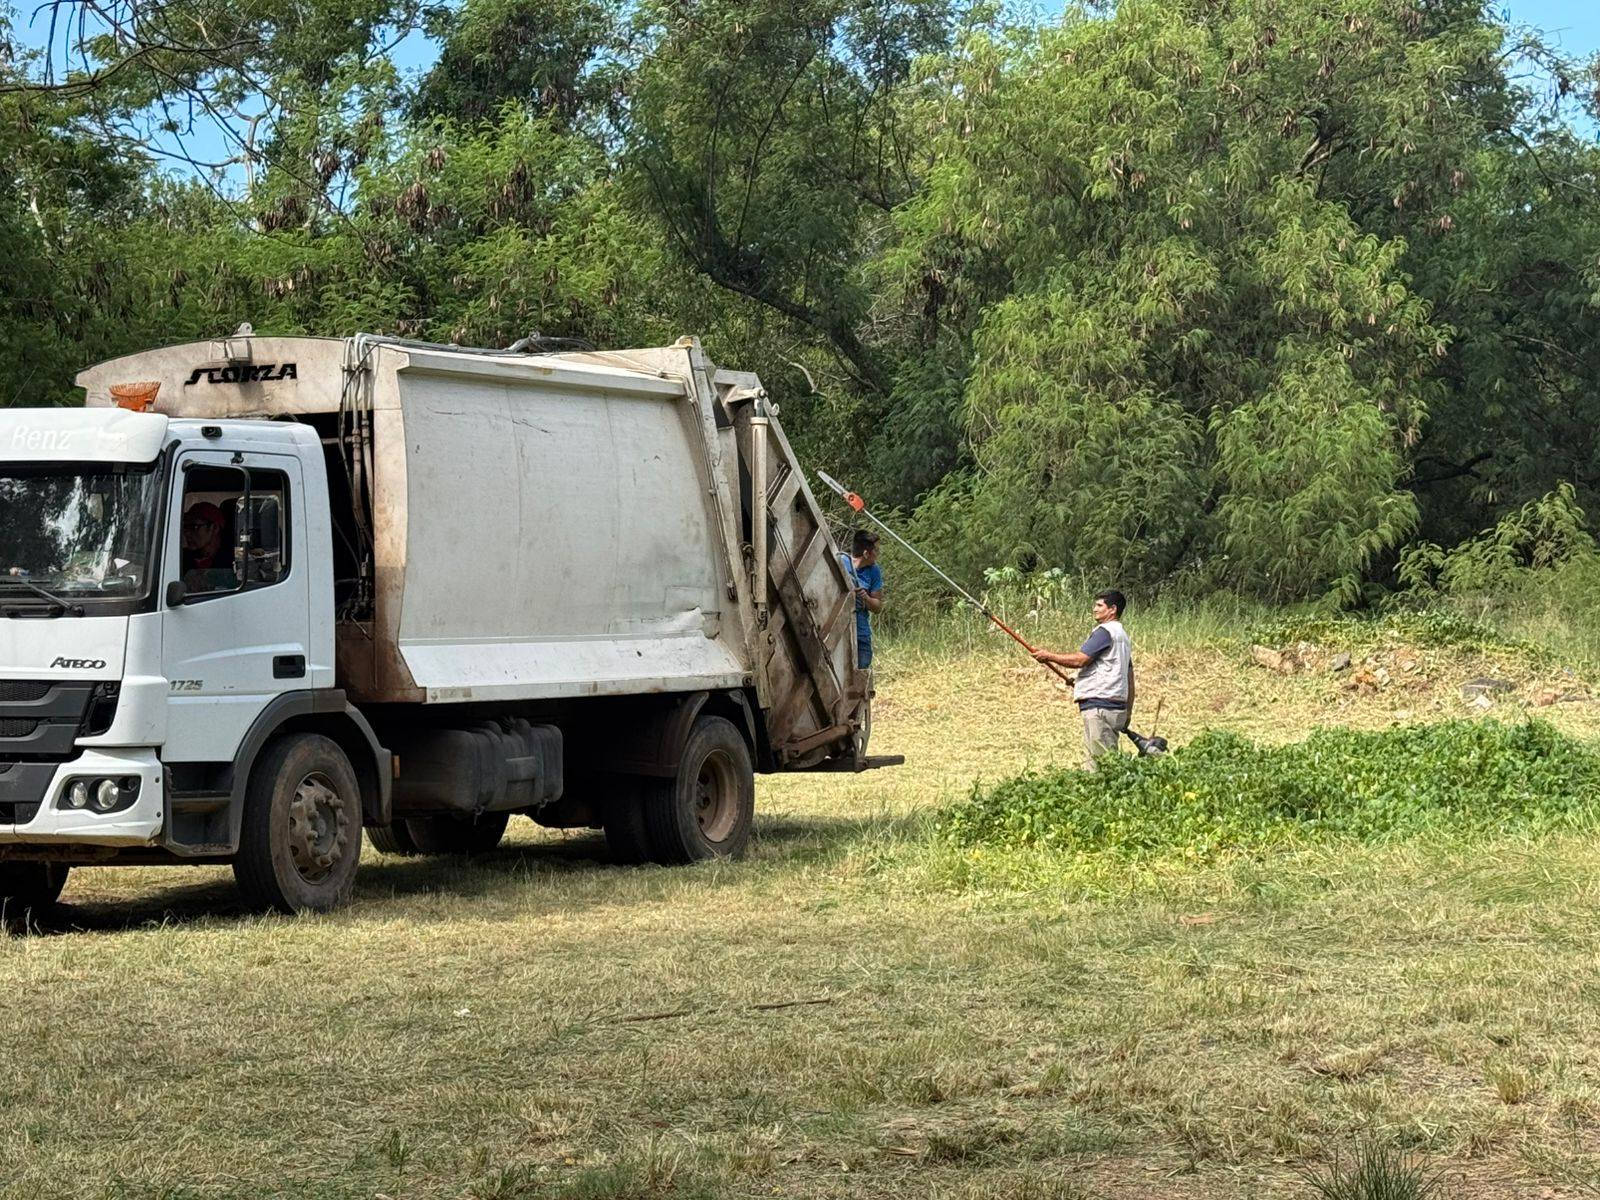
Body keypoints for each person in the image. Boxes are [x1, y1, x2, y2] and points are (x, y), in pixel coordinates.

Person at [1031, 590, 1133, 770]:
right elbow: (1128, 676)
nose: (1094, 609)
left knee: (1098, 766)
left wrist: (1049, 656)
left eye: (1099, 605)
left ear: (1112, 609)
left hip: (1100, 706)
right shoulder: (1122, 637)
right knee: (1104, 760)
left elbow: (1080, 659)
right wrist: (1128, 712)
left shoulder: (1104, 632)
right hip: (1115, 706)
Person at [838, 529, 884, 670]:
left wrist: (866, 598)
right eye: (876, 550)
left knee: (862, 671)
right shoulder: (840, 561)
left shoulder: (874, 571)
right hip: (839, 631)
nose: (878, 554)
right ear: (866, 553)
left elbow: (878, 607)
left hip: (861, 633)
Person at [180, 501, 233, 591]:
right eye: (185, 527)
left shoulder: (231, 561)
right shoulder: (181, 559)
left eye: (194, 527)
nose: (187, 533)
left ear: (215, 528)